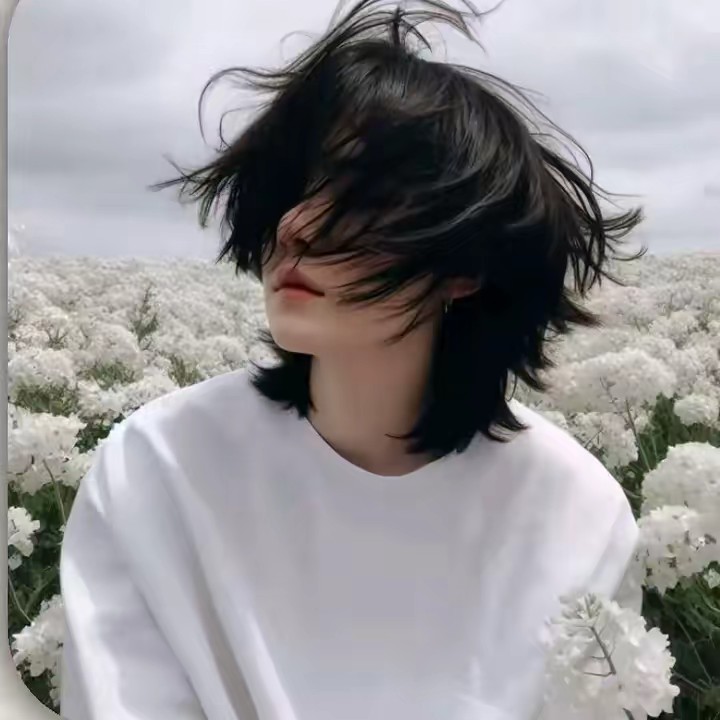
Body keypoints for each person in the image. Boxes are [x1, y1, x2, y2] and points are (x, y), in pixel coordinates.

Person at [59, 1, 648, 718]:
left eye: (362, 196)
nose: (296, 225)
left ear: (465, 266)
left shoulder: (579, 516)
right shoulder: (155, 468)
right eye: (298, 186)